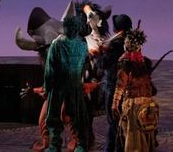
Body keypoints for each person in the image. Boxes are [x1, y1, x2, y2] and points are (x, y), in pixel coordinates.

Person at [44, 14, 90, 152]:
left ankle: (55, 145)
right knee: (78, 115)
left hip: (59, 85)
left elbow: (50, 68)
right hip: (75, 84)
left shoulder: (57, 44)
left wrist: (47, 86)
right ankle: (81, 145)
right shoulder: (82, 44)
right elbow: (85, 65)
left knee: (54, 115)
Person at [112, 23, 158, 152]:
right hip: (147, 103)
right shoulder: (144, 62)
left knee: (133, 136)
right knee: (145, 133)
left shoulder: (124, 62)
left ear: (127, 45)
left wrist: (115, 103)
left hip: (133, 106)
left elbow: (120, 85)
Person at [98, 14, 132, 152]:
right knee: (121, 120)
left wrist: (100, 53)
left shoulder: (115, 44)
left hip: (113, 86)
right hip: (127, 87)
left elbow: (103, 64)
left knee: (113, 121)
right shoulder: (132, 43)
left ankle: (111, 149)